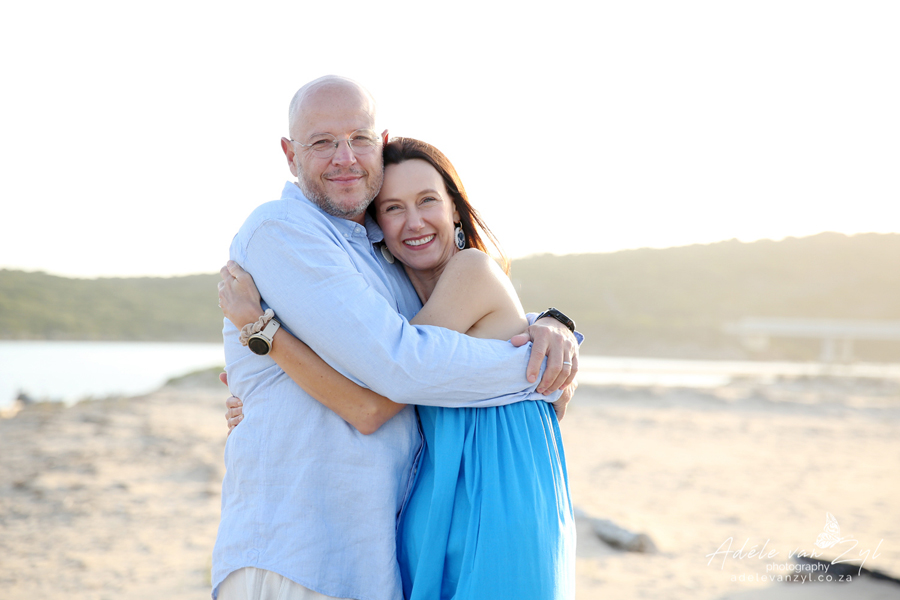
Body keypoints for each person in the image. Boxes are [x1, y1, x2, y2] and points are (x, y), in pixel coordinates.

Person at [212, 75, 579, 600]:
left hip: (459, 505)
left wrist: (553, 330)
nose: (344, 157)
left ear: (455, 207)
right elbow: (399, 374)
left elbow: (396, 380)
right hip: (300, 550)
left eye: (358, 138)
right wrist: (533, 371)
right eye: (393, 208)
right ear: (290, 155)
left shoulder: (406, 271)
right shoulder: (286, 230)